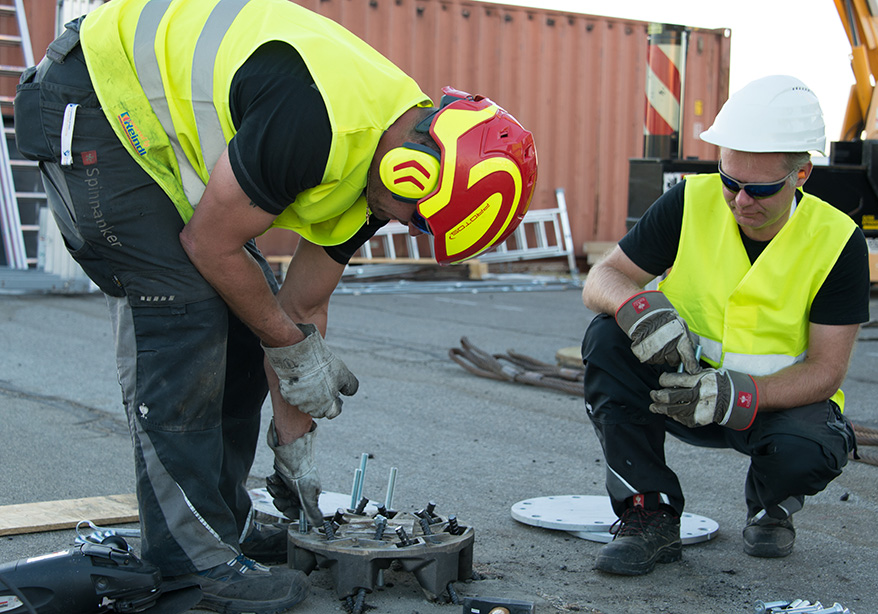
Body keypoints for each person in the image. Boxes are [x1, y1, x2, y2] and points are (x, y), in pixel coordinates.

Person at [13, 0, 537, 612]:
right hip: (93, 93)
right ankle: (188, 563)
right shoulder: (315, 120)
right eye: (418, 221)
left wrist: (296, 447)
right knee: (183, 310)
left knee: (242, 311)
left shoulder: (388, 160)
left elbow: (301, 309)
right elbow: (212, 245)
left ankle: (220, 526)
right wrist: (289, 348)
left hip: (142, 117)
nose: (405, 227)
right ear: (413, 172)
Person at [580, 75, 868, 576]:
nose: (739, 201)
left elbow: (826, 370)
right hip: (673, 388)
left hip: (769, 408)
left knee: (811, 451)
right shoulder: (692, 200)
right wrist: (638, 310)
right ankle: (649, 515)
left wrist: (737, 394)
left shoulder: (838, 241)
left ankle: (771, 505)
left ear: (802, 174)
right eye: (730, 181)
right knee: (606, 339)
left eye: (759, 189)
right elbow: (603, 278)